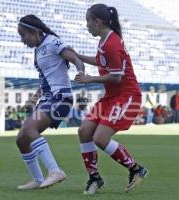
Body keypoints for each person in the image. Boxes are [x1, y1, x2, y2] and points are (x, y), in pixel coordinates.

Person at [74, 4, 148, 194]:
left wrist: (90, 79)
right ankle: (95, 178)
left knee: (100, 138)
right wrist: (75, 55)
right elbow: (101, 61)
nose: (87, 25)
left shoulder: (112, 43)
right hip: (112, 97)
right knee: (84, 131)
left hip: (126, 97)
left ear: (98, 22)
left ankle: (136, 169)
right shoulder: (105, 40)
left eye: (88, 21)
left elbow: (117, 77)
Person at [16, 14, 85, 190]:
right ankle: (37, 179)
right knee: (21, 139)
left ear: (36, 32)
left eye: (24, 35)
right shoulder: (38, 51)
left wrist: (81, 72)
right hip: (48, 99)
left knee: (30, 129)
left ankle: (55, 171)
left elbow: (75, 58)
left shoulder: (53, 42)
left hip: (61, 98)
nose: (22, 40)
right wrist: (35, 96)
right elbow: (45, 79)